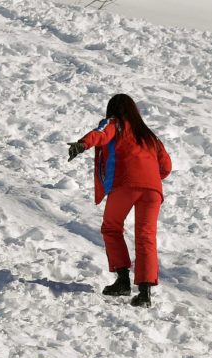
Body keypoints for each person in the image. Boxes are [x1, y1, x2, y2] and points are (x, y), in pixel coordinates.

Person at [66, 94, 172, 307]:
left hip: (125, 184)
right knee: (146, 236)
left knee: (111, 228)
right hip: (153, 190)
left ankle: (123, 281)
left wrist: (82, 144)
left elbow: (100, 135)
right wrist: (149, 177)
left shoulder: (115, 124)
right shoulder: (149, 135)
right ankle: (145, 294)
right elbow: (166, 167)